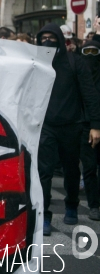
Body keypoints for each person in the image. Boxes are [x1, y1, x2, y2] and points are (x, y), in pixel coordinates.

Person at [36, 24, 100, 236]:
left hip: (72, 127)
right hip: (46, 127)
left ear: (60, 41)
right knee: (44, 173)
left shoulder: (75, 63)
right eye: (43, 38)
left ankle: (71, 205)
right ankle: (44, 214)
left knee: (71, 171)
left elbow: (90, 95)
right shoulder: (35, 65)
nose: (47, 42)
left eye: (51, 38)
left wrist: (95, 125)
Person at [79, 39, 100, 221]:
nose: (91, 57)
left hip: (95, 124)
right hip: (85, 126)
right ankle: (94, 205)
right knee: (89, 167)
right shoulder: (79, 77)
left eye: (95, 52)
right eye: (88, 53)